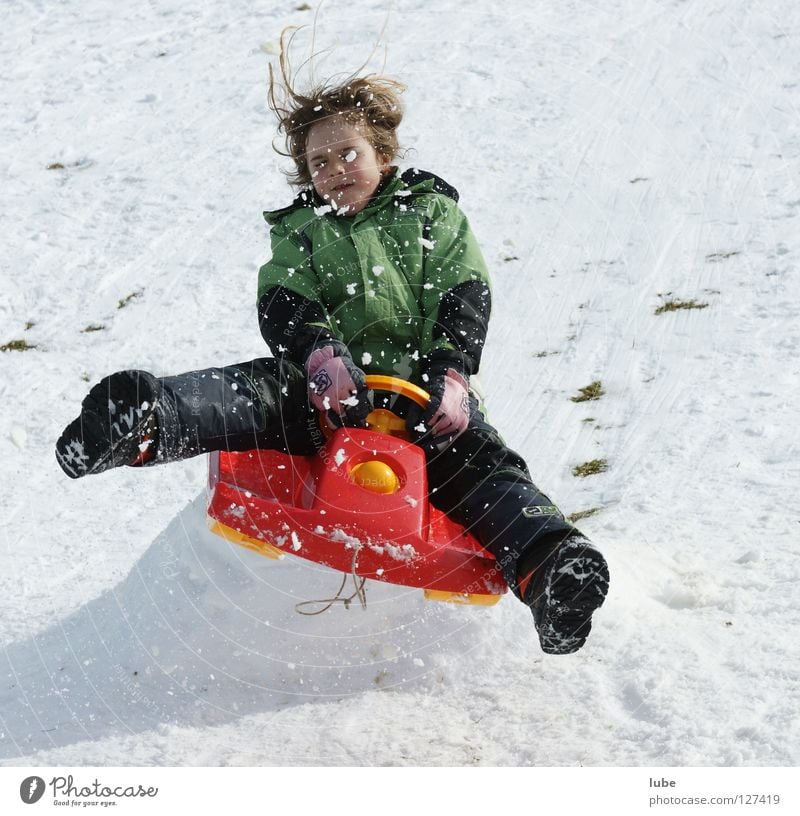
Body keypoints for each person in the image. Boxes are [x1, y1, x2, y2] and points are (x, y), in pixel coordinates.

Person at [55, 56, 609, 655]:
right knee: (252, 396)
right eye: (320, 162)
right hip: (323, 396)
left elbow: (463, 290)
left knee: (484, 470)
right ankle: (141, 419)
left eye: (349, 154)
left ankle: (550, 565)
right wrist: (318, 353)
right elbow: (282, 297)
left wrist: (451, 368)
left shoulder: (429, 213)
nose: (335, 169)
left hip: (427, 404)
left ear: (383, 156)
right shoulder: (301, 230)